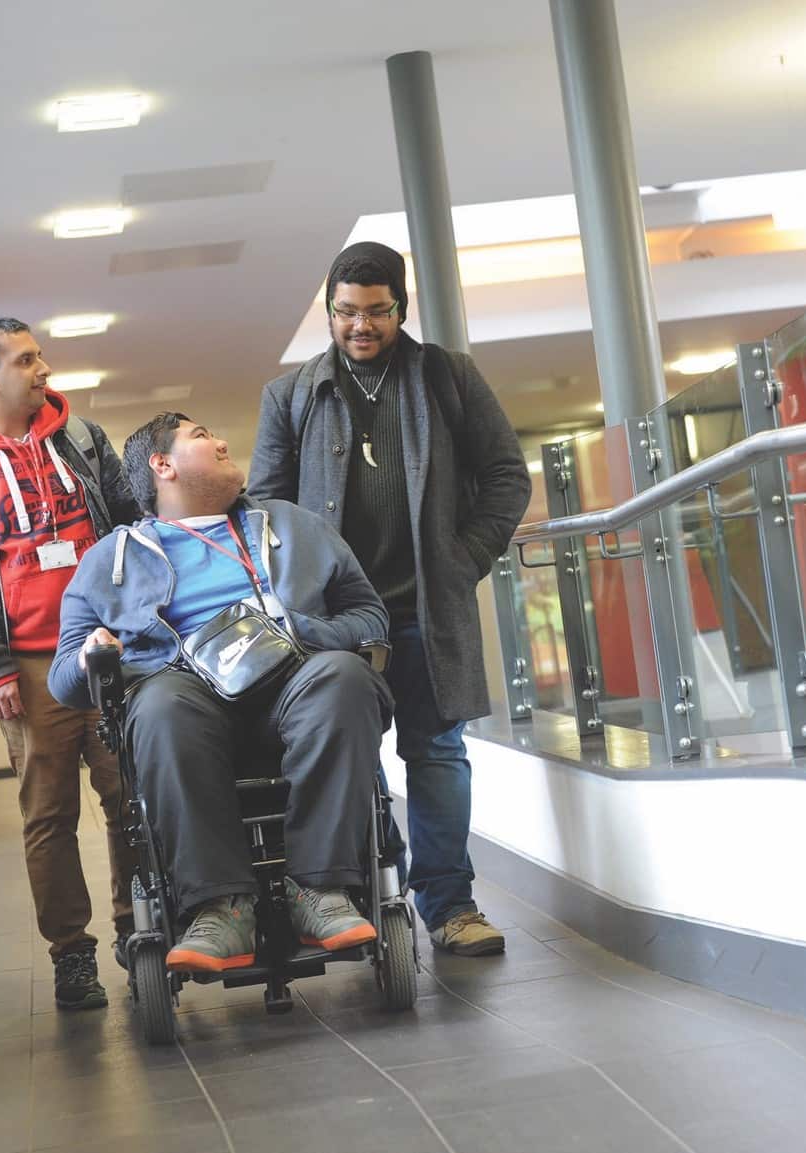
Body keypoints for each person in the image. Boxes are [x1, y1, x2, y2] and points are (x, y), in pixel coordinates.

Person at [248, 241, 531, 956]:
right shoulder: (292, 395)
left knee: (437, 751)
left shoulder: (447, 378)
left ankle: (451, 906)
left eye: (376, 312)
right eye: (346, 313)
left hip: (426, 612)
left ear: (401, 308)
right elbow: (264, 510)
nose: (361, 327)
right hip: (335, 625)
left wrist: (463, 558)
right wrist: (294, 593)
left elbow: (506, 476)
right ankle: (386, 880)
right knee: (351, 755)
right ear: (330, 310)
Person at [48, 413, 394, 974]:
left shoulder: (293, 525)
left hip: (294, 677)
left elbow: (368, 615)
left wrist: (297, 627)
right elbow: (65, 682)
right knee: (157, 705)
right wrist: (93, 653)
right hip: (185, 693)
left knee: (344, 676)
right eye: (202, 436)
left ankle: (320, 892)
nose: (223, 440)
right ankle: (222, 908)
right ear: (162, 466)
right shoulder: (108, 561)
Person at [0, 317, 141, 1010]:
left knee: (130, 798)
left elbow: (133, 526)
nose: (44, 367)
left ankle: (140, 931)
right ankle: (71, 954)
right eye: (26, 359)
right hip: (29, 664)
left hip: (108, 652)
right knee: (49, 814)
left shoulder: (82, 440)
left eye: (40, 354)